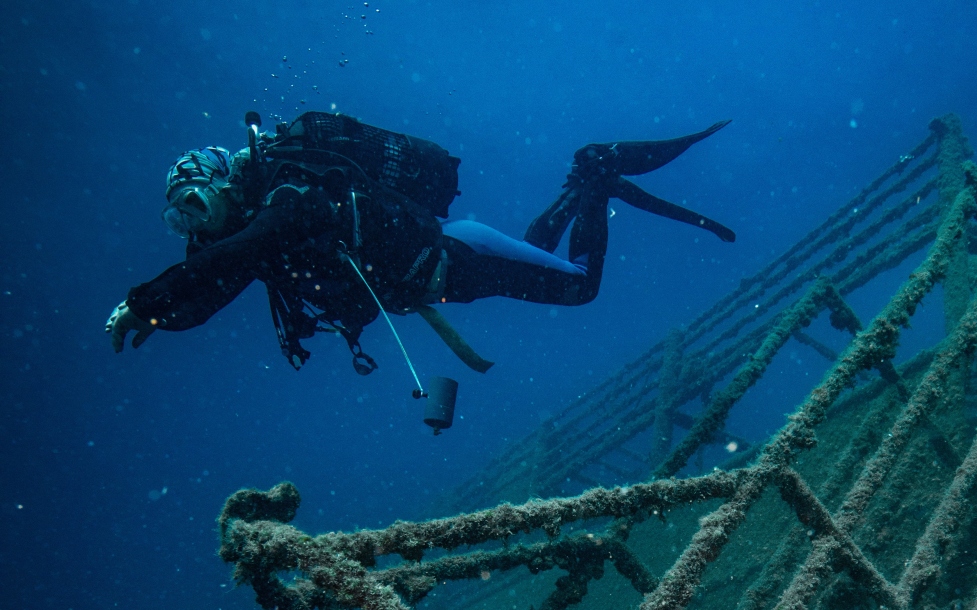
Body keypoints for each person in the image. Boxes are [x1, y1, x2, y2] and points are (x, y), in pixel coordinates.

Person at [106, 112, 734, 375]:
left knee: (580, 289)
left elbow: (234, 257)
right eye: (179, 222)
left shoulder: (288, 195)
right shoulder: (263, 223)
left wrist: (149, 302)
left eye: (194, 206)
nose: (193, 227)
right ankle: (582, 185)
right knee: (531, 258)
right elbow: (219, 275)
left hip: (454, 255)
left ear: (222, 180)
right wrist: (162, 310)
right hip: (447, 269)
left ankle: (595, 179)